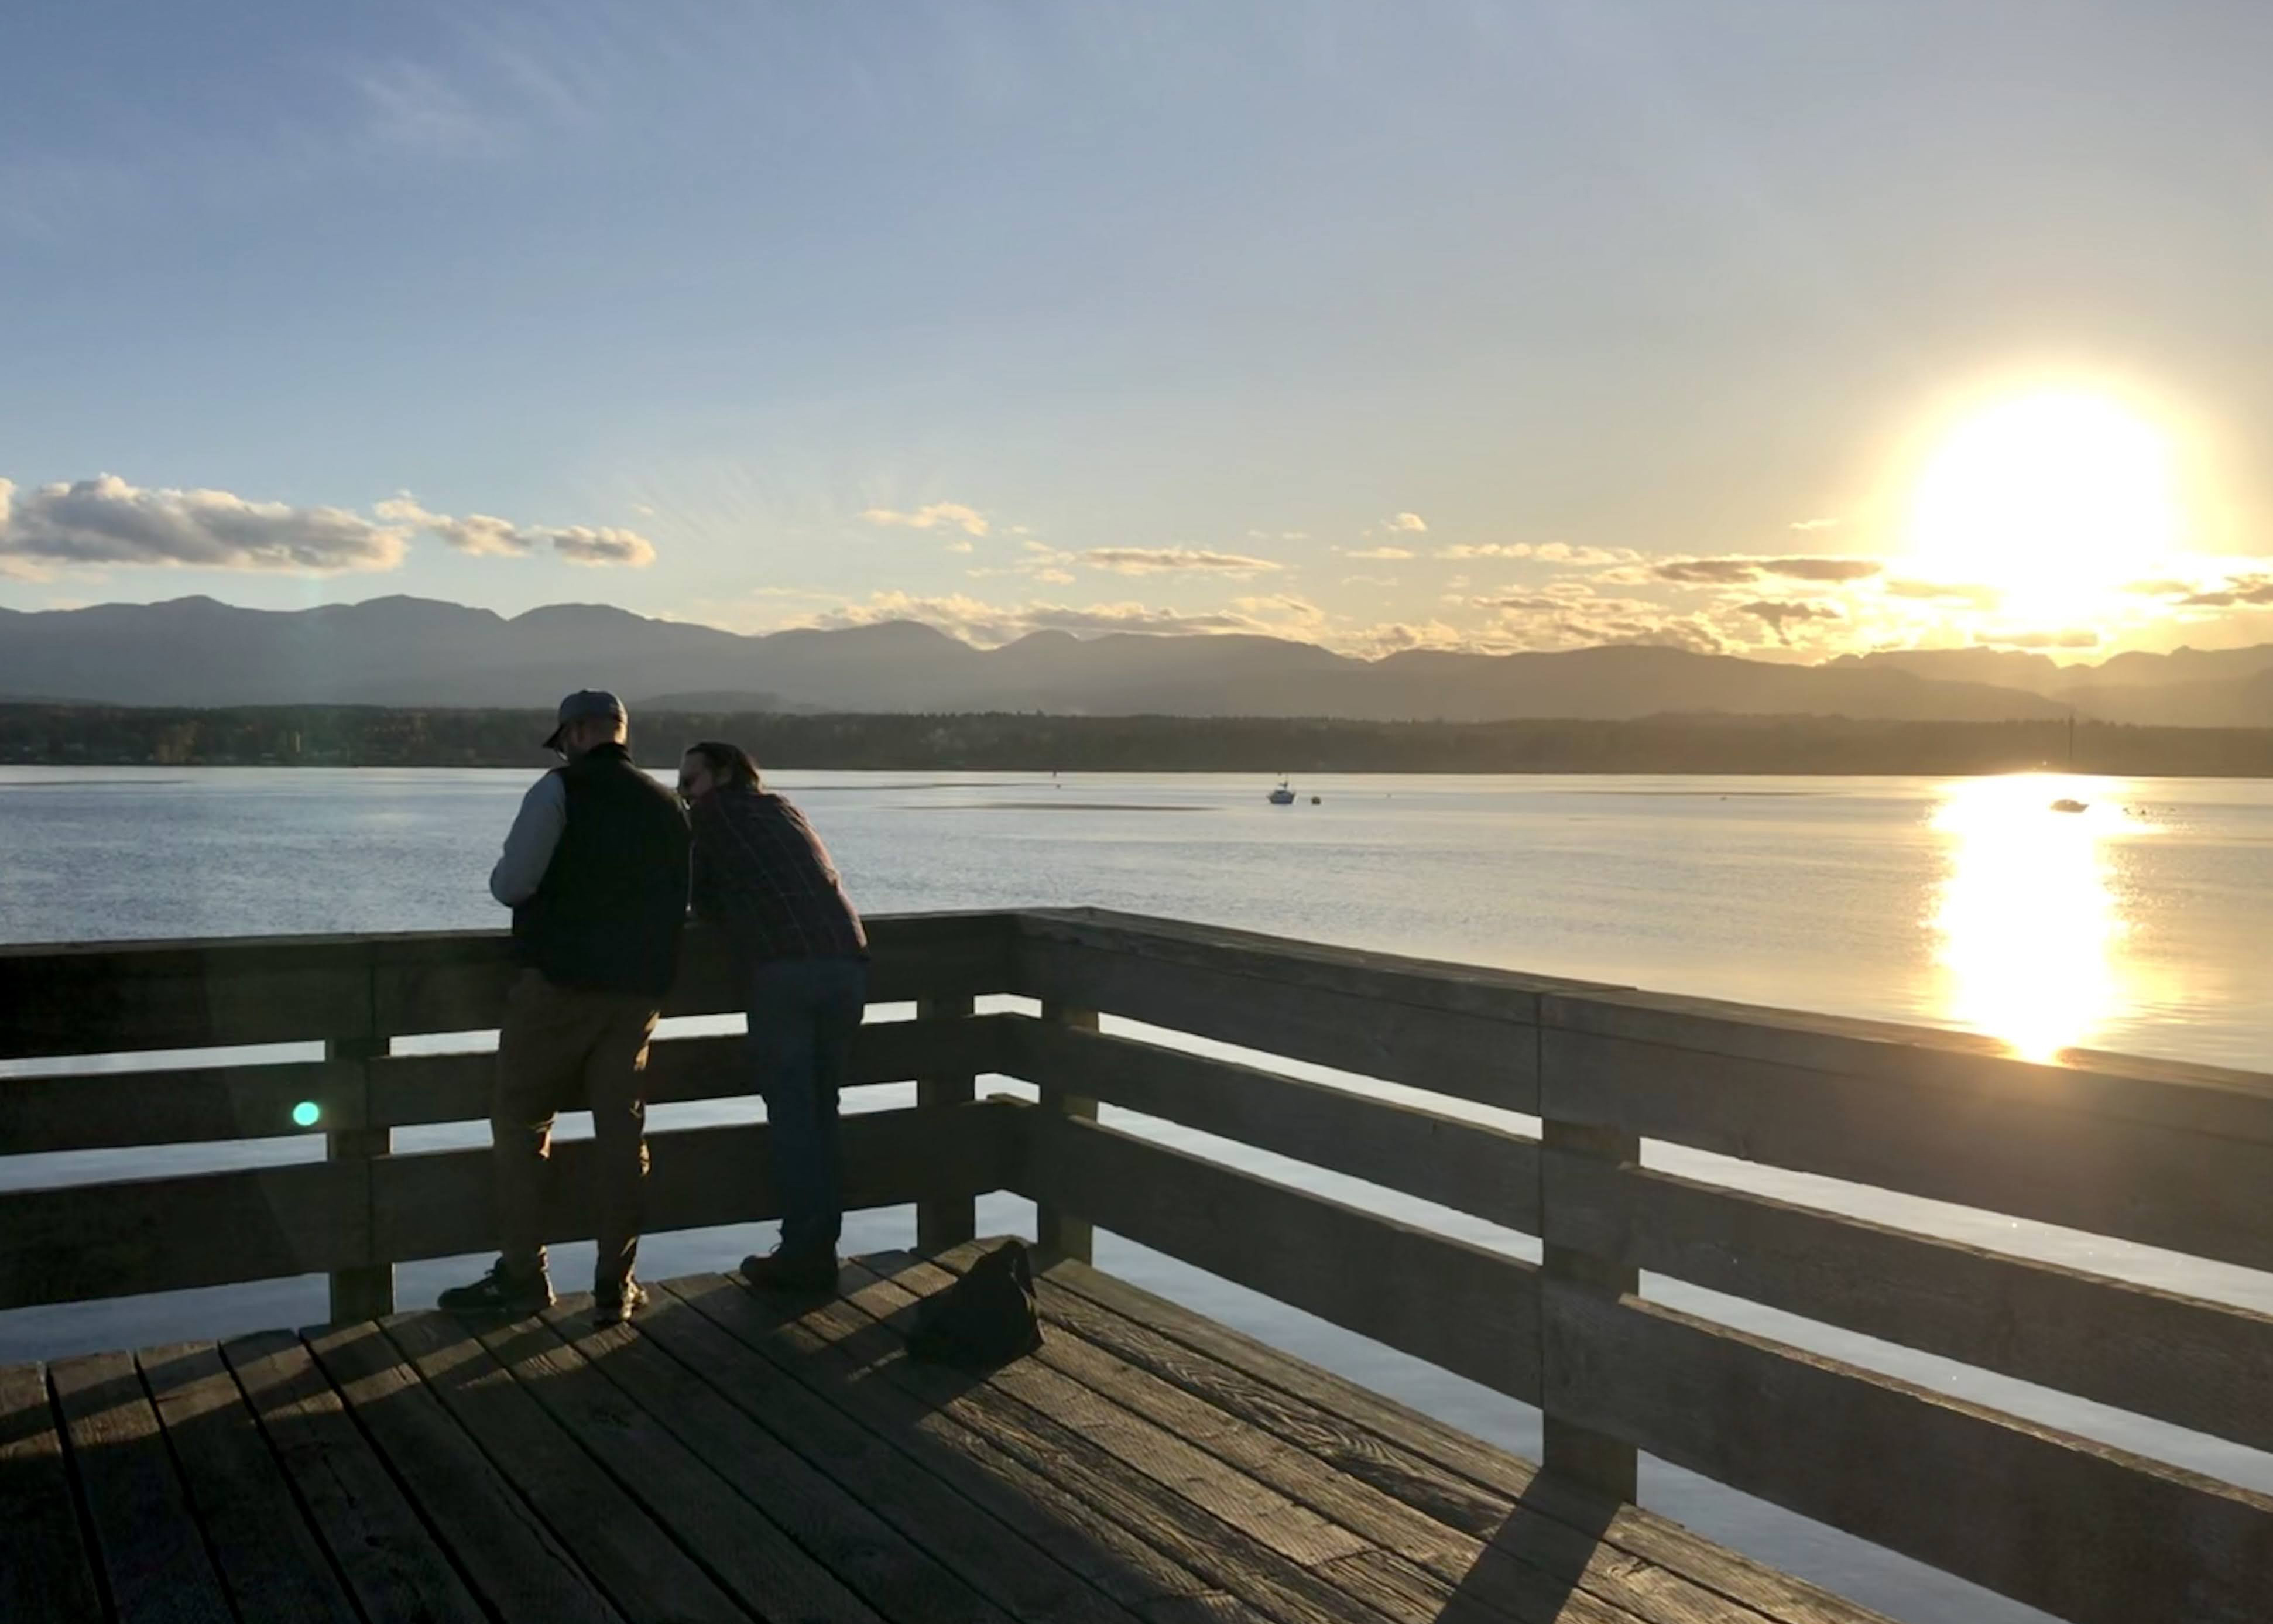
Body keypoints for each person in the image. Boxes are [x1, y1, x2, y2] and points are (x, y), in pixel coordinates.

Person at [440, 690, 690, 1326]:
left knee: (522, 1126)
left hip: (559, 986)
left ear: (576, 734)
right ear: (621, 733)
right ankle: (616, 1282)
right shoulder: (668, 803)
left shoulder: (558, 790)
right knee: (621, 1135)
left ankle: (524, 1275)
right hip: (637, 994)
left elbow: (512, 884)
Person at [677, 740, 868, 1292]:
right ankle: (820, 1246)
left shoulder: (710, 818)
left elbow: (700, 900)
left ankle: (803, 1252)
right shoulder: (784, 808)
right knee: (822, 1109)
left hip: (784, 971)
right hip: (847, 963)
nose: (684, 795)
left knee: (792, 1115)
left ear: (722, 776)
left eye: (690, 782)